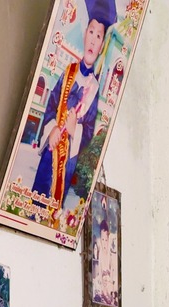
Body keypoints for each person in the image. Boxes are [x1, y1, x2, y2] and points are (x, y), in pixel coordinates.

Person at [31, 0, 113, 209]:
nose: (93, 40)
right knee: (37, 200)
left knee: (54, 209)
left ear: (101, 46)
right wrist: (51, 130)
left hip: (68, 161)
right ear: (84, 35)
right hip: (51, 149)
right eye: (91, 32)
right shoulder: (68, 72)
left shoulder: (94, 89)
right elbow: (51, 104)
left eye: (99, 36)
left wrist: (75, 129)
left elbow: (89, 132)